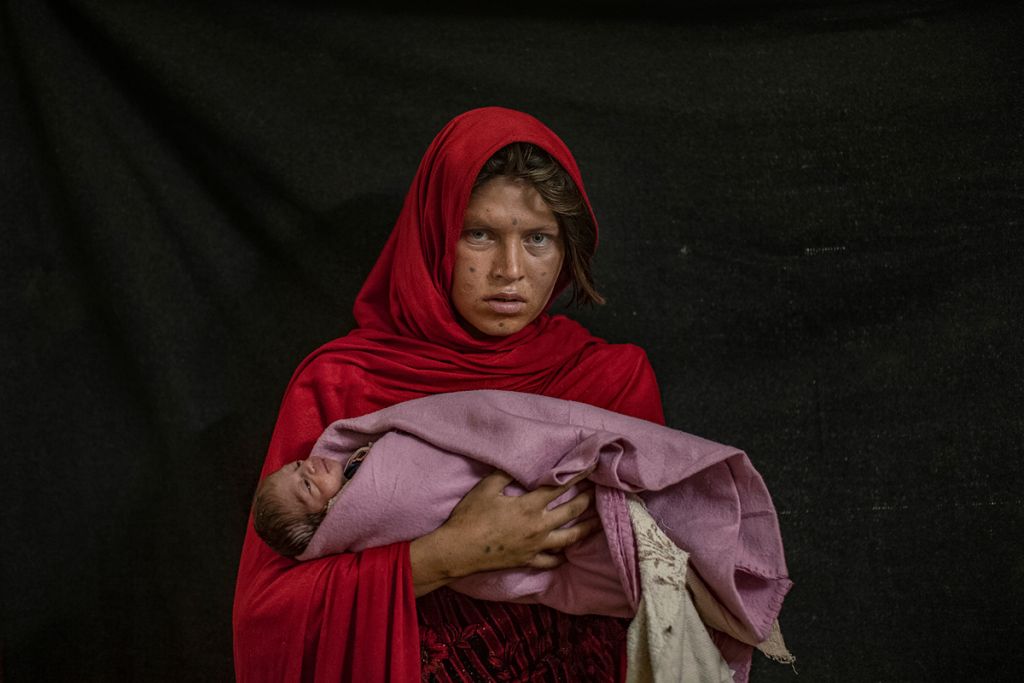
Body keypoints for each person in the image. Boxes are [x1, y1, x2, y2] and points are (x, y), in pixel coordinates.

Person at [233, 106, 675, 681]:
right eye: (480, 235)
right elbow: (267, 616)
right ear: (434, 237)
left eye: (538, 238)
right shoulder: (343, 382)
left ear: (568, 249)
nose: (509, 270)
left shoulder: (609, 381)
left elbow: (660, 584)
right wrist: (448, 555)